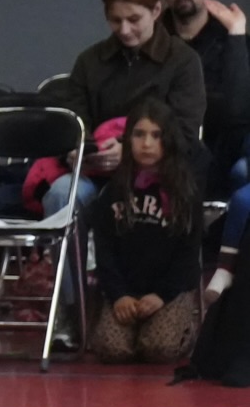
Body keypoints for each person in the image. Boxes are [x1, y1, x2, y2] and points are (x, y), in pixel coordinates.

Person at [54, 0, 204, 218]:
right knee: (62, 193)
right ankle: (72, 247)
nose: (124, 30)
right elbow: (74, 120)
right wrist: (79, 151)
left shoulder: (182, 60)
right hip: (97, 171)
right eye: (115, 20)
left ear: (156, 11)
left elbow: (184, 132)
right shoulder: (89, 61)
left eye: (134, 19)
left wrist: (129, 152)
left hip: (159, 173)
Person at [85, 98, 203, 365]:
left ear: (168, 140)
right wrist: (118, 294)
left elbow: (189, 253)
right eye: (139, 134)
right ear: (128, 139)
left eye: (156, 135)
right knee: (112, 350)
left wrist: (162, 295)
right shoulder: (114, 190)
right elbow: (104, 248)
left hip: (169, 291)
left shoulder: (186, 193)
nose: (147, 144)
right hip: (125, 290)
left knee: (159, 348)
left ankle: (184, 328)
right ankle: (130, 327)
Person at [154, 0, 250, 198]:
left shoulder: (234, 38)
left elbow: (238, 110)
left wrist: (236, 36)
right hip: (168, 150)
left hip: (230, 150)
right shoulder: (151, 43)